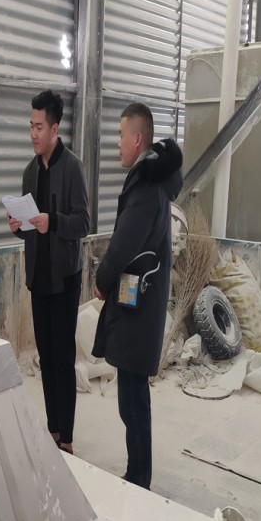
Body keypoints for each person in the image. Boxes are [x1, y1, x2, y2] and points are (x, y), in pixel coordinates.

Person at [92, 102, 182, 490]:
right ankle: (137, 473)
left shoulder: (145, 188)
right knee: (132, 396)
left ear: (137, 139)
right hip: (141, 301)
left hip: (138, 305)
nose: (117, 142)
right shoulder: (152, 183)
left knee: (133, 401)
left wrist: (103, 278)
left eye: (120, 134)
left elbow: (124, 243)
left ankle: (139, 478)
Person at [8, 90, 89, 454]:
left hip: (65, 278)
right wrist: (19, 226)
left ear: (55, 129)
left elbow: (83, 222)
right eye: (31, 126)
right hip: (38, 278)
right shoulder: (29, 172)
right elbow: (31, 227)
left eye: (39, 127)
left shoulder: (72, 167)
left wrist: (51, 221)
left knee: (62, 358)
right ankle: (53, 431)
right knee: (45, 356)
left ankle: (67, 439)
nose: (33, 134)